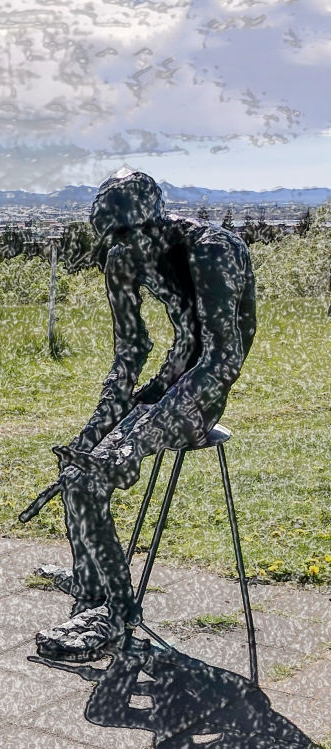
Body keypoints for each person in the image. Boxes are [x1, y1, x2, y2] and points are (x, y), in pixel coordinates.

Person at [32, 171, 255, 661]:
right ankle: (90, 591)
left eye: (130, 237)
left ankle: (115, 616)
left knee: (91, 482)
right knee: (77, 469)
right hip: (171, 379)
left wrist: (136, 435)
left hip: (204, 393)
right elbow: (130, 353)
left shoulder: (212, 251)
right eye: (114, 241)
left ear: (153, 223)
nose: (123, 251)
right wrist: (94, 430)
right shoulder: (122, 256)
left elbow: (222, 358)